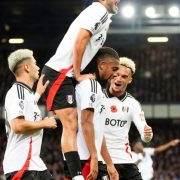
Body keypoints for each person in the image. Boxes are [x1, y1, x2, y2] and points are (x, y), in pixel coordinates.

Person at [41, 0, 119, 179]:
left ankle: (73, 174)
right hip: (60, 72)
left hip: (65, 74)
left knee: (73, 124)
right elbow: (81, 39)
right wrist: (77, 74)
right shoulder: (98, 11)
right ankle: (76, 175)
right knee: (71, 123)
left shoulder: (104, 17)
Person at [64, 47, 120, 180]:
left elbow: (98, 132)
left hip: (88, 157)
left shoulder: (95, 88)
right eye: (114, 69)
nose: (115, 74)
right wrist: (94, 156)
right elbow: (85, 122)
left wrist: (109, 164)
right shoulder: (91, 85)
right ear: (102, 65)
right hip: (85, 158)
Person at [3, 49, 58, 180]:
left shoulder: (25, 94)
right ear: (27, 68)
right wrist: (44, 123)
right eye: (35, 63)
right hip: (22, 165)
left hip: (34, 164)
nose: (38, 67)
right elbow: (17, 125)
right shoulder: (17, 92)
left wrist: (38, 93)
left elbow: (28, 107)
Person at [102, 57, 153, 180]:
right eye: (116, 75)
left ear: (130, 80)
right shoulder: (97, 98)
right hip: (101, 160)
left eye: (124, 76)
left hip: (125, 160)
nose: (119, 79)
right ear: (110, 76)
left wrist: (147, 134)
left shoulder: (132, 104)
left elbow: (145, 135)